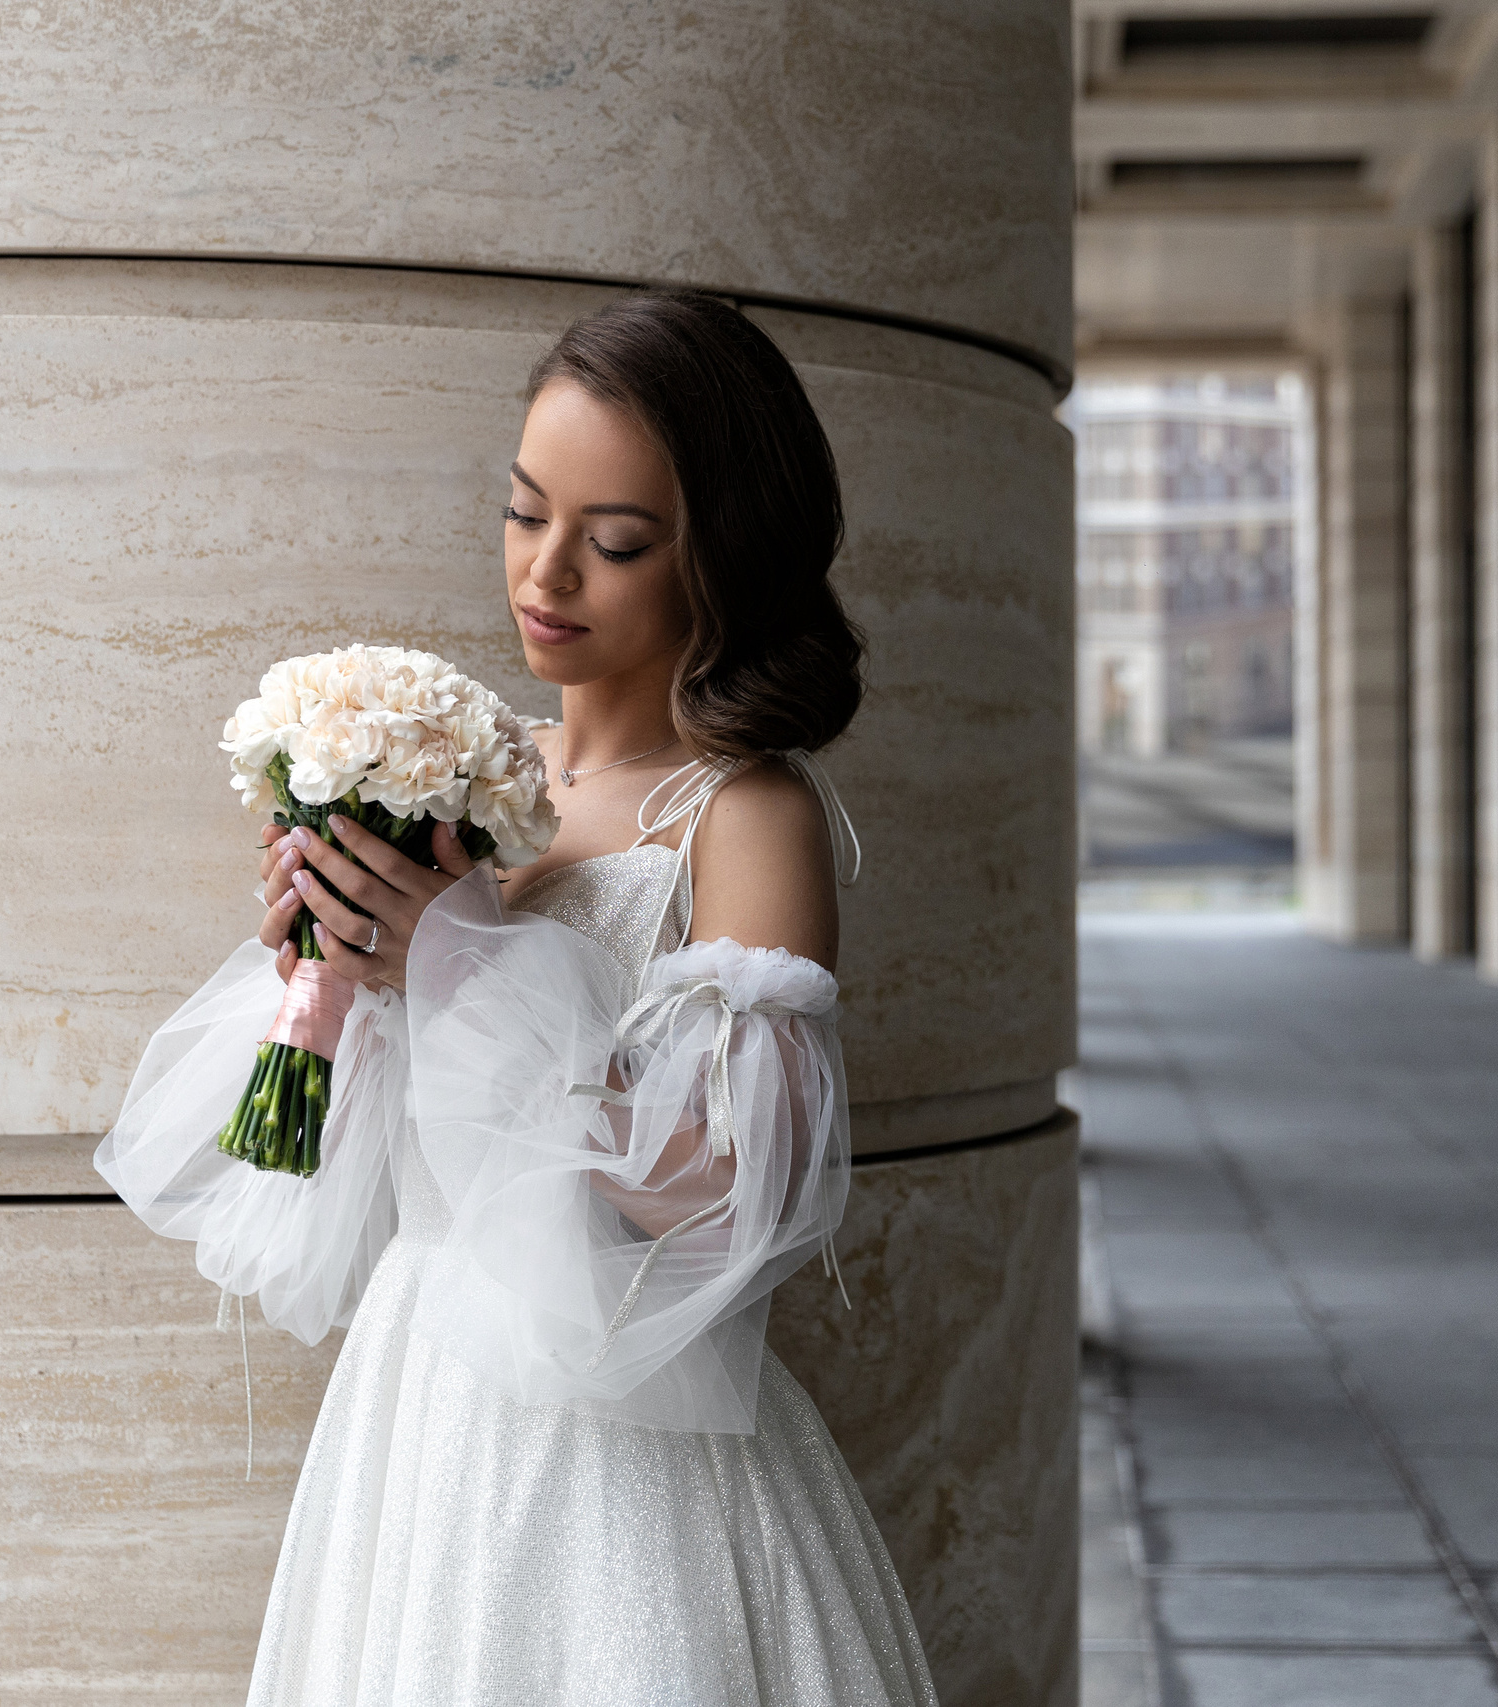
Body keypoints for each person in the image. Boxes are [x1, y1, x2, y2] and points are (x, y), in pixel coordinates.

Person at [99, 292, 937, 1705]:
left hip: (627, 1446)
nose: (547, 571)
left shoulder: (745, 814)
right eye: (524, 512)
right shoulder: (473, 777)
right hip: (418, 1407)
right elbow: (329, 1158)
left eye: (617, 541)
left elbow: (733, 1198)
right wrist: (331, 975)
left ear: (721, 555)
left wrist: (462, 963)